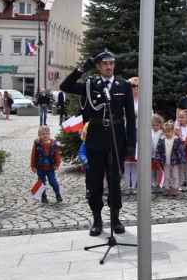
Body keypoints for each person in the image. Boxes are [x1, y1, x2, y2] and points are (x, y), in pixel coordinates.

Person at [60, 49, 136, 236]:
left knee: (114, 181)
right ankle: (97, 220)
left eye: (111, 63)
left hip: (116, 136)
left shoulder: (123, 85)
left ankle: (115, 218)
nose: (109, 67)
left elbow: (131, 118)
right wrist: (81, 69)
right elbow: (66, 85)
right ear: (98, 66)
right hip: (95, 137)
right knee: (95, 181)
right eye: (105, 64)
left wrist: (131, 143)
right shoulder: (90, 84)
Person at [30, 125, 63, 203]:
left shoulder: (53, 144)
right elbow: (33, 155)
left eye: (47, 133)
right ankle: (43, 196)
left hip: (50, 168)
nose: (45, 135)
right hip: (40, 168)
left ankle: (57, 193)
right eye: (43, 134)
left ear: (49, 134)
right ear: (39, 135)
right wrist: (33, 166)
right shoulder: (37, 144)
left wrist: (57, 164)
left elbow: (57, 155)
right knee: (41, 183)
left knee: (53, 181)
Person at [156, 121, 186, 197]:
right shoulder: (162, 140)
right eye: (165, 131)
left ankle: (176, 188)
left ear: (173, 131)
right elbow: (158, 151)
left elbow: (180, 150)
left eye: (169, 131)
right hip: (165, 162)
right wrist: (158, 160)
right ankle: (166, 188)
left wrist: (182, 159)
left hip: (174, 161)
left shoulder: (176, 140)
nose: (167, 133)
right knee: (166, 176)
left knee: (175, 176)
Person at [123, 77, 140, 194]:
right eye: (133, 86)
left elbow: (151, 119)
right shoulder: (123, 99)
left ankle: (134, 185)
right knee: (126, 165)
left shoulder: (144, 101)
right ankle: (127, 185)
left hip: (138, 135)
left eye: (138, 86)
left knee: (135, 165)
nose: (136, 88)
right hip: (125, 134)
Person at [78, 123, 91, 199]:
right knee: (88, 179)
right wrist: (84, 159)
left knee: (97, 179)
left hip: (96, 165)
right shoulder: (84, 144)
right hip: (88, 165)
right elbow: (81, 152)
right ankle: (88, 190)